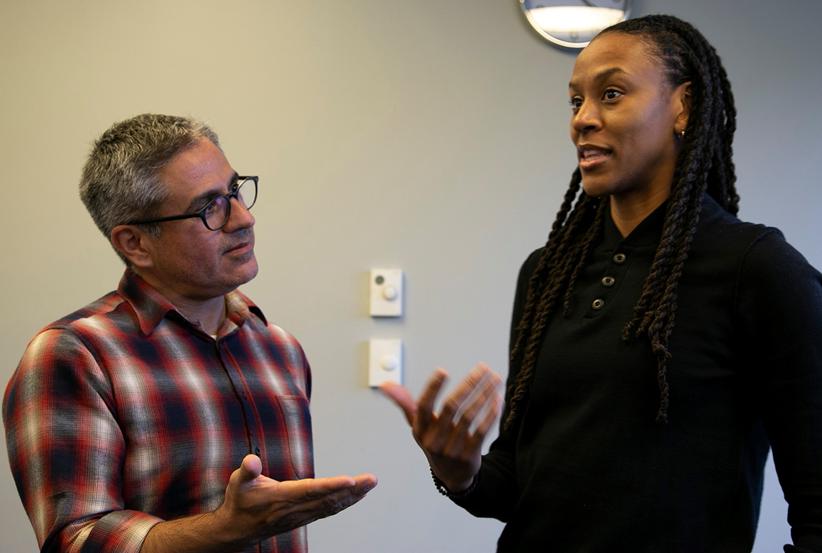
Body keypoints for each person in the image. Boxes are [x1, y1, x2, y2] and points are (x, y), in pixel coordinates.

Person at [381, 14, 822, 552]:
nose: (583, 120)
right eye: (575, 101)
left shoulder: (756, 268)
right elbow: (513, 485)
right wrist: (460, 472)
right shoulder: (547, 274)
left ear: (682, 106)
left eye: (611, 94)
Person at [3, 113, 377, 553]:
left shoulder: (279, 348)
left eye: (235, 191)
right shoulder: (74, 354)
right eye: (209, 207)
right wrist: (225, 528)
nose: (243, 218)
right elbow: (76, 540)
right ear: (135, 244)